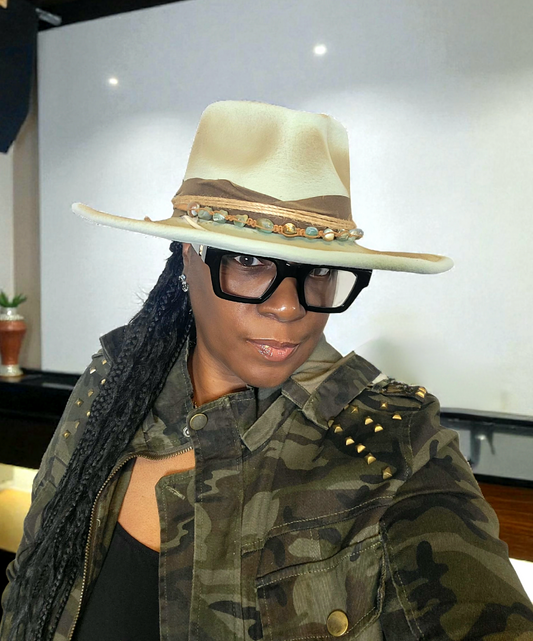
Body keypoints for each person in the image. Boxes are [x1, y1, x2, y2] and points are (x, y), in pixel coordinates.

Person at [1, 100, 532, 641]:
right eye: (250, 261)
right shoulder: (114, 381)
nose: (288, 307)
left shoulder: (394, 446)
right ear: (187, 255)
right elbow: (30, 581)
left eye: (319, 269)